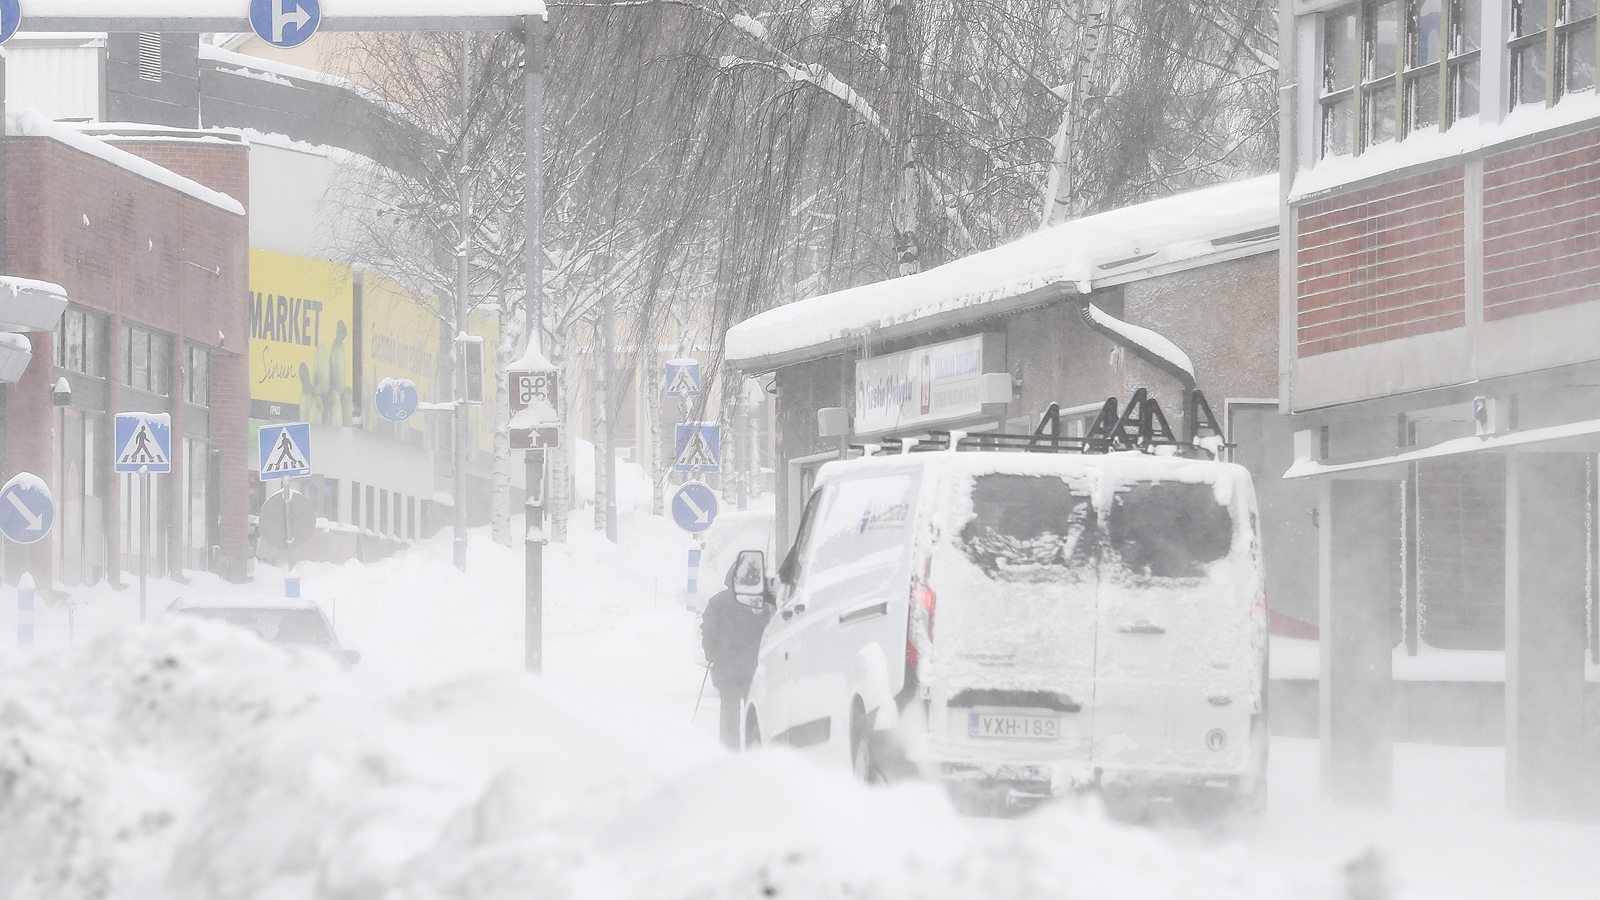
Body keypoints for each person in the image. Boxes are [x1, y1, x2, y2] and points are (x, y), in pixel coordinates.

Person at [701, 557, 772, 748]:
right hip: (754, 667)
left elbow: (708, 630)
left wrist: (710, 654)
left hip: (727, 666)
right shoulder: (760, 602)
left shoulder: (718, 601)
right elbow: (769, 629)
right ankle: (754, 749)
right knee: (754, 710)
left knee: (729, 712)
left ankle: (729, 751)